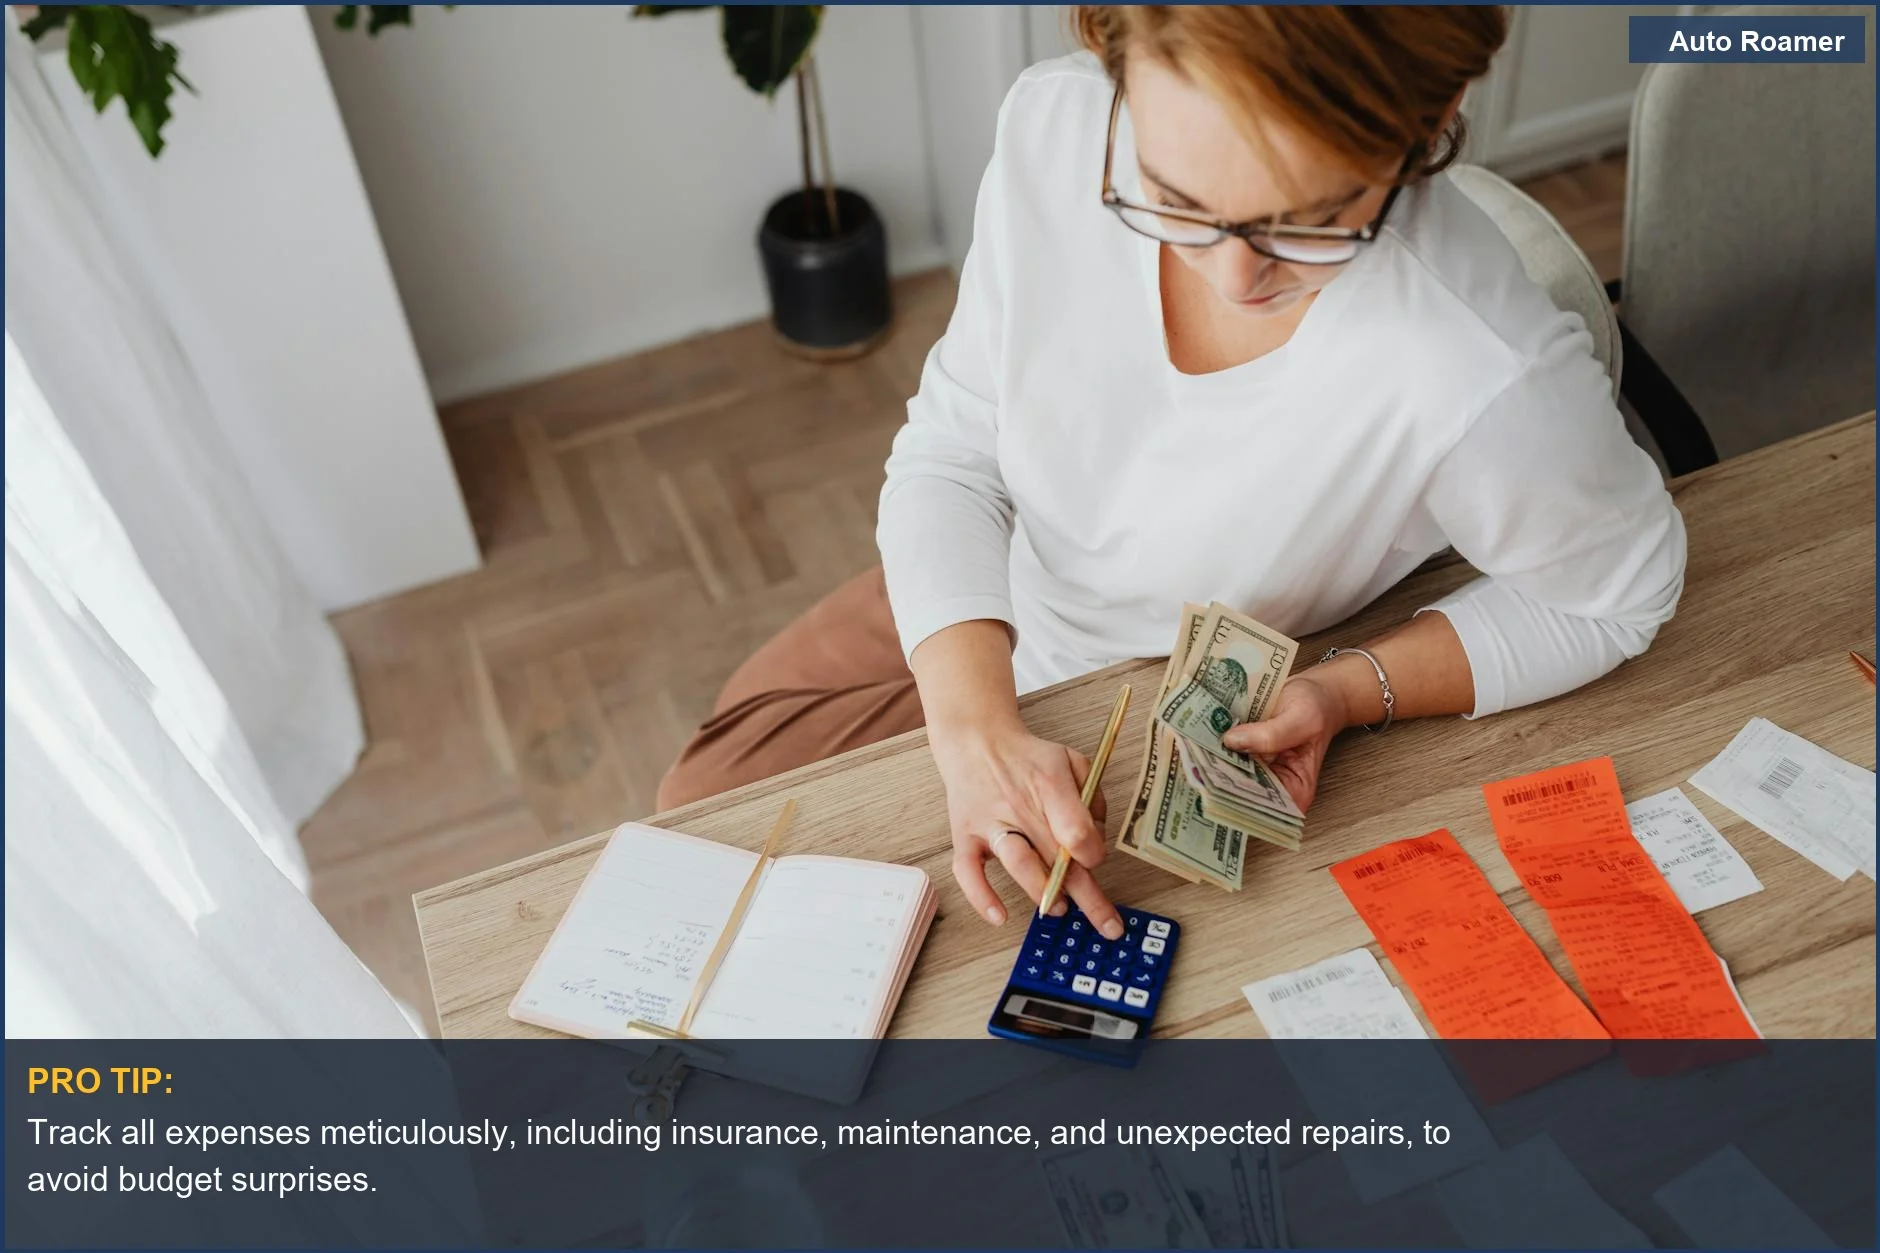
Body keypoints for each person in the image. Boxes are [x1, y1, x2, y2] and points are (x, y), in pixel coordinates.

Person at [659, 6, 1685, 943]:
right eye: (1170, 197)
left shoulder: (1472, 366)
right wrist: (971, 728)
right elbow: (956, 448)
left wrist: (1347, 690)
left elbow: (1617, 597)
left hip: (1124, 697)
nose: (1231, 274)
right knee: (695, 801)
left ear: (1437, 110)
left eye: (1310, 219)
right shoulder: (1057, 128)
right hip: (991, 579)